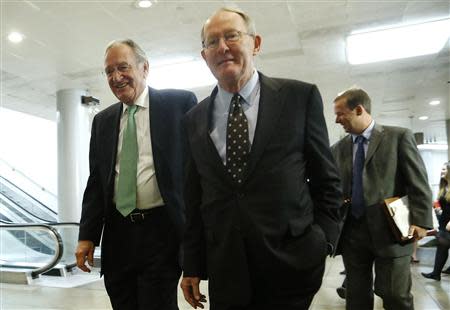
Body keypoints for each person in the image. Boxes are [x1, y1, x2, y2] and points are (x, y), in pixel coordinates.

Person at [180, 7, 342, 310]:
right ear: (204, 56)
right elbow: (194, 197)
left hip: (291, 265)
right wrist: (191, 263)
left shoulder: (299, 98)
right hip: (226, 269)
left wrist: (323, 242)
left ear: (255, 43)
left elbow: (327, 181)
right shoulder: (193, 119)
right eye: (212, 42)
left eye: (232, 36)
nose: (223, 47)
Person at [75, 39, 197, 309]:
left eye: (123, 67)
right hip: (118, 234)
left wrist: (195, 248)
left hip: (160, 232)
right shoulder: (103, 121)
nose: (116, 77)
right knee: (122, 301)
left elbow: (196, 173)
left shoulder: (178, 104)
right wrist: (87, 235)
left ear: (144, 68)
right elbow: (96, 183)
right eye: (109, 71)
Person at [331, 87, 433, 310]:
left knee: (395, 295)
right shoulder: (338, 149)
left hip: (392, 230)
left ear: (359, 109)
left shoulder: (398, 137)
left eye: (340, 113)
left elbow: (418, 182)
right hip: (352, 233)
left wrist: (421, 221)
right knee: (356, 297)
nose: (337, 120)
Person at [422, 161, 450, 281]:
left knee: (443, 244)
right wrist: (437, 209)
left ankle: (436, 273)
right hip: (444, 223)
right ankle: (436, 273)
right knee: (442, 245)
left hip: (449, 224)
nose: (441, 171)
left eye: (444, 169)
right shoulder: (444, 187)